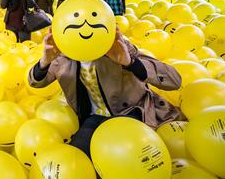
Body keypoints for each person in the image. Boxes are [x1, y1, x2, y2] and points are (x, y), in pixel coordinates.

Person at [28, 27, 184, 158]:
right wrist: (44, 62)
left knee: (126, 155)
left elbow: (174, 80)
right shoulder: (61, 57)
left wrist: (130, 62)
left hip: (133, 111)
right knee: (77, 156)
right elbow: (35, 82)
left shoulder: (116, 46)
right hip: (93, 118)